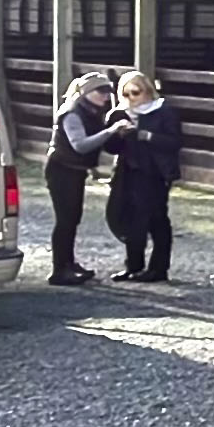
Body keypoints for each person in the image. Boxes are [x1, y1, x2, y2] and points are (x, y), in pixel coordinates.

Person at [44, 71, 133, 286]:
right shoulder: (73, 113)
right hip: (62, 169)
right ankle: (59, 270)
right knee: (65, 220)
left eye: (107, 91)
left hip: (74, 170)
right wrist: (111, 131)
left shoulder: (91, 111)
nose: (105, 96)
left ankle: (68, 263)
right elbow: (80, 145)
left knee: (72, 219)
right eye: (100, 91)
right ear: (86, 92)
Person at [105, 69, 183, 282]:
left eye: (136, 92)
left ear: (147, 92)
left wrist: (146, 136)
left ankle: (158, 268)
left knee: (157, 220)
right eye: (126, 94)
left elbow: (174, 142)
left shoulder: (163, 111)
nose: (131, 99)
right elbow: (110, 148)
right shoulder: (118, 114)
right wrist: (115, 133)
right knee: (130, 218)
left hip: (155, 173)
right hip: (127, 172)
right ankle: (133, 266)